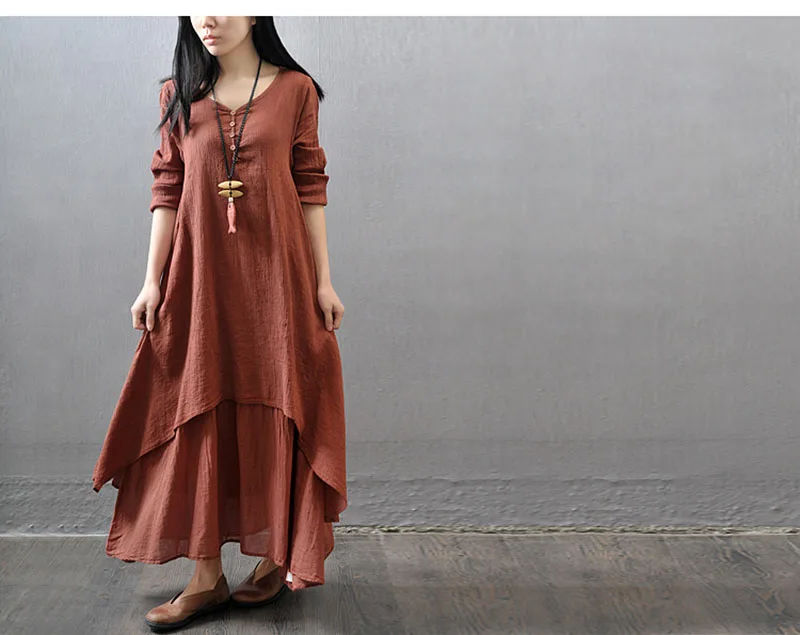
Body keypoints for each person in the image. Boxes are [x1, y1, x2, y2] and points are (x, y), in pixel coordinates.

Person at [91, 16, 348, 632]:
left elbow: (310, 186)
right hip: (200, 278)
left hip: (277, 281)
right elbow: (168, 188)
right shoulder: (178, 93)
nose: (208, 16)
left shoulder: (296, 91)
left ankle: (273, 555)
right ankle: (205, 578)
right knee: (199, 400)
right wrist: (152, 280)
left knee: (279, 399)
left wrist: (323, 280)